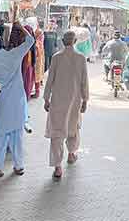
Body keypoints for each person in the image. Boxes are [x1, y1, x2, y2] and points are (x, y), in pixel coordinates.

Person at [0, 26, 35, 177]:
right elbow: (30, 40)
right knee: (17, 135)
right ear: (2, 42)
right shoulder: (14, 54)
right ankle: (19, 166)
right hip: (18, 101)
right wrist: (20, 27)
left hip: (2, 102)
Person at [43, 30, 89, 179]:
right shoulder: (81, 58)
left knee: (57, 133)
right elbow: (84, 82)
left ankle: (57, 167)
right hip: (75, 101)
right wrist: (85, 100)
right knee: (73, 128)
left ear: (62, 41)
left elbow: (50, 80)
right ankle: (71, 154)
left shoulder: (56, 57)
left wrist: (46, 99)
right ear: (75, 42)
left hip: (57, 101)